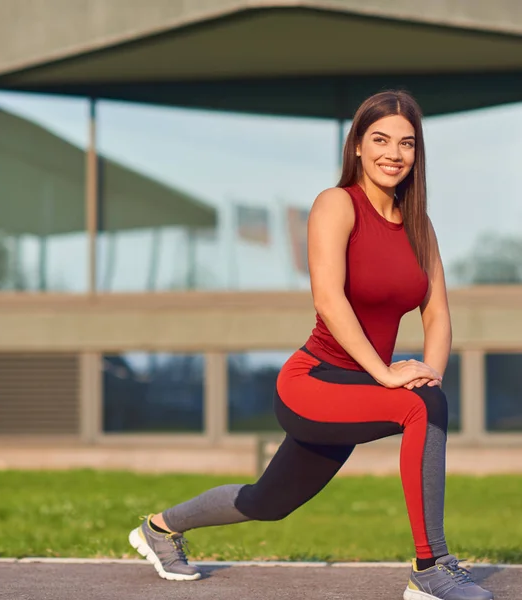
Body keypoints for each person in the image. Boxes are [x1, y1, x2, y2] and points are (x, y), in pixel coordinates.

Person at [128, 90, 494, 600]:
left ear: (417, 153)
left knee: (269, 500)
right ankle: (430, 568)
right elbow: (329, 298)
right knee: (422, 405)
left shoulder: (419, 225)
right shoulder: (336, 204)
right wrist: (388, 373)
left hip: (361, 386)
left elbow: (437, 312)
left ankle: (160, 528)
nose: (394, 153)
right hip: (314, 381)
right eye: (381, 139)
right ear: (359, 147)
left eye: (406, 143)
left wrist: (430, 369)